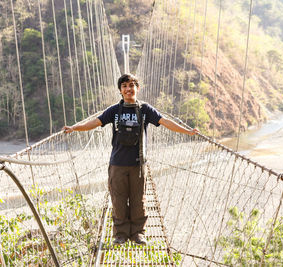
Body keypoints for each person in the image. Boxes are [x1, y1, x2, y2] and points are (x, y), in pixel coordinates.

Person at [63, 73, 199, 246]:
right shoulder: (114, 110)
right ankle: (120, 234)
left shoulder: (145, 109)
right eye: (125, 86)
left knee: (138, 199)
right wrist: (74, 128)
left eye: (132, 85)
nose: (128, 89)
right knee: (118, 199)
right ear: (120, 90)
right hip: (118, 163)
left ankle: (138, 233)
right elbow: (95, 123)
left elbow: (165, 122)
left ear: (137, 88)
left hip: (138, 163)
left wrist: (187, 132)